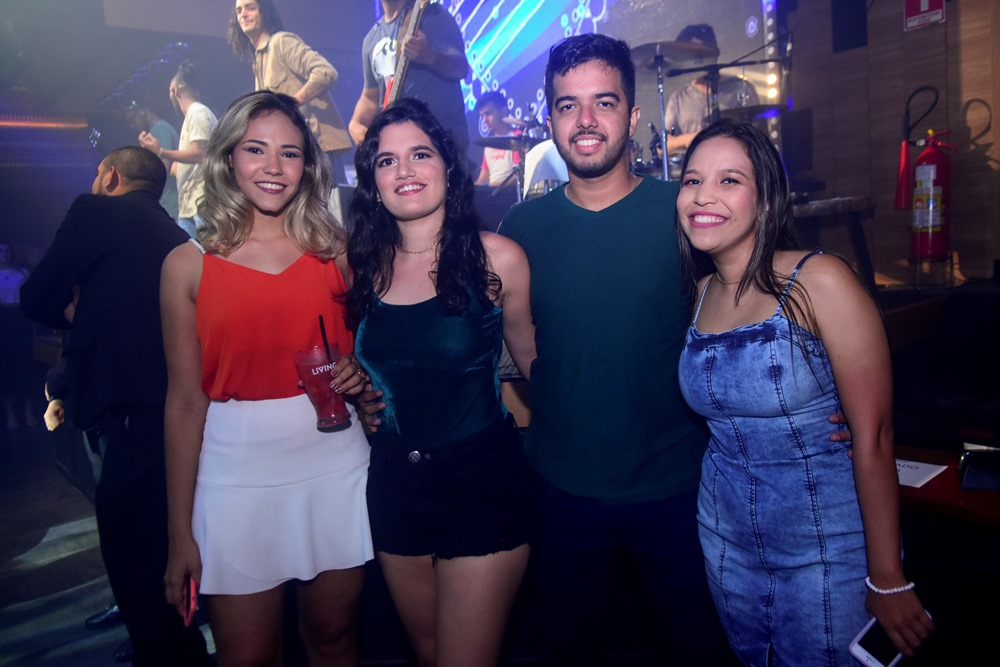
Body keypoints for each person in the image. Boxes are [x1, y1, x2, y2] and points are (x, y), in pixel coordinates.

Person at [675, 118, 934, 665]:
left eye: (728, 181)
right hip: (726, 546)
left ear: (766, 198)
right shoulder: (700, 293)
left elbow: (874, 437)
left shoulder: (820, 281)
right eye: (692, 180)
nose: (702, 196)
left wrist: (887, 576)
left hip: (827, 549)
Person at [160, 90, 373, 666]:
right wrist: (180, 533)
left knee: (334, 637)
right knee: (247, 657)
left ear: (308, 166)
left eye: (290, 153)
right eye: (256, 149)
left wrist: (361, 370)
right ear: (228, 156)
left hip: (335, 461)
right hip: (234, 474)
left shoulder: (337, 251)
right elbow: (184, 404)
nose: (274, 167)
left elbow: (377, 352)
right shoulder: (186, 265)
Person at [347, 97, 535, 667]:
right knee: (427, 654)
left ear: (448, 168)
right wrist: (356, 391)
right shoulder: (362, 266)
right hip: (393, 483)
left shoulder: (497, 259)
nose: (404, 170)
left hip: (480, 481)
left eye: (420, 154)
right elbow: (371, 365)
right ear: (373, 181)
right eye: (387, 161)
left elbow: (539, 369)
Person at [20, 146, 213, 666]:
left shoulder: (95, 211)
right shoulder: (174, 235)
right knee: (165, 543)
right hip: (177, 407)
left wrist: (78, 311)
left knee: (131, 551)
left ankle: (170, 654)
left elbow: (36, 297)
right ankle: (179, 646)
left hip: (129, 409)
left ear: (109, 176)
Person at [228, 0, 354, 184]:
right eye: (239, 11)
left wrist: (293, 102)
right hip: (294, 150)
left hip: (317, 147)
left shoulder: (281, 42)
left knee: (325, 201)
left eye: (250, 8)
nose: (243, 14)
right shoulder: (258, 59)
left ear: (264, 12)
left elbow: (326, 71)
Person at [349, 0, 469, 162]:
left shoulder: (430, 15)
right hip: (399, 145)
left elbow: (460, 68)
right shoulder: (371, 39)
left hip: (441, 140)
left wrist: (430, 56)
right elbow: (370, 96)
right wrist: (356, 123)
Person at [139, 60, 218, 238]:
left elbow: (200, 153)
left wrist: (161, 152)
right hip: (190, 204)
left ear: (175, 90)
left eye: (170, 90)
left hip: (202, 201)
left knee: (208, 250)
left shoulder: (197, 112)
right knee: (190, 250)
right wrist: (179, 166)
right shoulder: (192, 115)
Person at [662, 24, 759, 154]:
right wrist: (688, 139)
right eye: (688, 55)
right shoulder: (679, 97)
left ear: (714, 54)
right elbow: (662, 147)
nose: (694, 59)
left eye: (699, 53)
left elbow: (761, 136)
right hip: (694, 164)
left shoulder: (741, 87)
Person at [0, 241, 36, 430]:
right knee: (5, 366)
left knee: (25, 363)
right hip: (2, 321)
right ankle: (10, 414)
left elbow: (31, 295)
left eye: (7, 250)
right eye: (1, 251)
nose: (5, 254)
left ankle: (28, 410)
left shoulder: (22, 273)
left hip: (20, 320)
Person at [124, 97, 180, 218]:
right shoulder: (158, 129)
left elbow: (164, 166)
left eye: (132, 120)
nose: (132, 126)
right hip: (168, 203)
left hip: (170, 203)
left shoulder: (159, 129)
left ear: (142, 112)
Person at [473, 91, 521, 187]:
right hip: (492, 193)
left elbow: (519, 176)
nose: (484, 120)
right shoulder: (489, 144)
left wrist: (494, 189)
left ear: (503, 112)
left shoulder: (517, 138)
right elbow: (483, 179)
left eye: (488, 113)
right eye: (482, 116)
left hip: (509, 193)